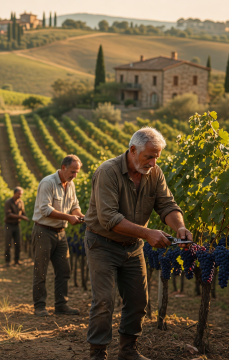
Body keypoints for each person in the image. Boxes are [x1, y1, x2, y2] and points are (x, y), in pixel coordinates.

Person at [84, 128, 193, 360]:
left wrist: (180, 228)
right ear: (133, 150)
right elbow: (109, 218)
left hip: (133, 247)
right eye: (149, 156)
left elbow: (167, 205)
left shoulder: (154, 173)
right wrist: (147, 233)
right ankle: (97, 352)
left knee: (138, 300)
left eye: (157, 157)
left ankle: (128, 350)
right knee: (104, 300)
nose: (153, 162)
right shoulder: (108, 172)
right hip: (102, 244)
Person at [32, 155, 85, 317]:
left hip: (60, 233)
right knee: (41, 270)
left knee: (64, 270)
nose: (75, 175)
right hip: (43, 231)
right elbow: (45, 210)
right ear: (63, 168)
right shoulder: (48, 183)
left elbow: (74, 206)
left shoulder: (71, 185)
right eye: (72, 171)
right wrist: (69, 217)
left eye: (77, 172)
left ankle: (61, 305)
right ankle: (40, 306)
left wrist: (80, 216)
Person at [3, 186, 29, 267]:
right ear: (14, 193)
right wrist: (21, 217)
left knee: (18, 244)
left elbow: (23, 213)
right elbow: (8, 214)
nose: (20, 195)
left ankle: (16, 261)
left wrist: (27, 218)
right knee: (8, 244)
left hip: (17, 225)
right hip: (9, 225)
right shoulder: (8, 202)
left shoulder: (21, 202)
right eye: (19, 194)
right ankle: (7, 261)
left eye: (21, 194)